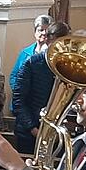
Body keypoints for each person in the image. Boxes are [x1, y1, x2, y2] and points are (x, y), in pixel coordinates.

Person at [12, 22, 71, 154]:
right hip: (29, 133)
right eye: (56, 45)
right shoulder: (32, 63)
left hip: (58, 134)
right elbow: (18, 101)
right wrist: (33, 128)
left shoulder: (69, 67)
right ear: (48, 41)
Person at [10, 15, 53, 93]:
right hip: (21, 97)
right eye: (41, 30)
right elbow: (14, 75)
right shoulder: (25, 52)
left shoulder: (52, 54)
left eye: (47, 31)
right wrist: (18, 90)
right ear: (35, 32)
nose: (44, 33)